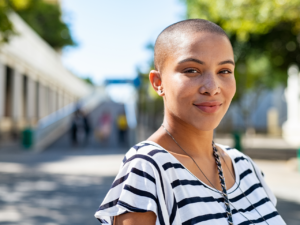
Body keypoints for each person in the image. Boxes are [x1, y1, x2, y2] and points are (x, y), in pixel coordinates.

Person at [94, 19, 286, 225]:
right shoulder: (148, 170)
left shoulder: (244, 166)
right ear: (158, 83)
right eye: (192, 70)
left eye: (225, 71)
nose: (212, 88)